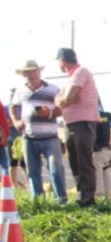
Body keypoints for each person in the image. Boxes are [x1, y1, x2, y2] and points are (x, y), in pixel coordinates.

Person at [9, 60, 68, 203]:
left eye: (33, 71)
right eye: (27, 72)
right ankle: (38, 201)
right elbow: (13, 107)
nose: (30, 74)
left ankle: (61, 200)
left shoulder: (53, 89)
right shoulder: (20, 91)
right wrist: (17, 121)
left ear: (39, 72)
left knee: (55, 168)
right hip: (29, 137)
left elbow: (62, 109)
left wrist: (49, 113)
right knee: (32, 171)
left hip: (50, 136)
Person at [55, 48, 100, 206]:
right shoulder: (70, 78)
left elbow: (66, 100)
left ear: (62, 61)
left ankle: (88, 199)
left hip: (83, 123)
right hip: (71, 123)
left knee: (83, 161)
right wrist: (60, 100)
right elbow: (60, 99)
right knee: (74, 161)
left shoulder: (80, 72)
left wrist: (60, 100)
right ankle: (82, 196)